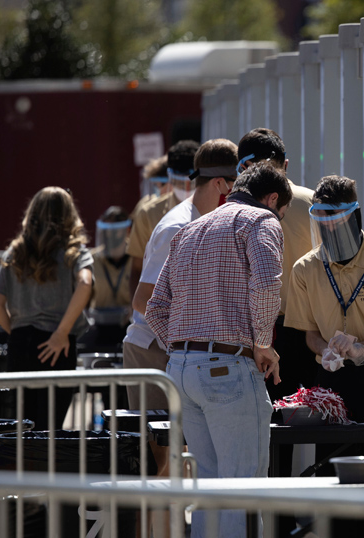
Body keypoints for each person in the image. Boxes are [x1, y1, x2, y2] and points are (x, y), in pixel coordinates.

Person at [145, 162, 290, 538]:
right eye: (283, 211)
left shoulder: (190, 229)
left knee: (208, 485)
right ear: (273, 198)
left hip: (181, 370)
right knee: (243, 487)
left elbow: (154, 308)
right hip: (227, 367)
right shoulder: (261, 221)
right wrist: (262, 342)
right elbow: (265, 284)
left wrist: (181, 351)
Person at [123, 138, 238, 475]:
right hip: (153, 352)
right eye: (234, 186)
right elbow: (144, 300)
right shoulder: (178, 226)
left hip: (174, 352)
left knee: (180, 461)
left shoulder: (201, 220)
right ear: (219, 184)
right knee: (159, 466)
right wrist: (185, 346)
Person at [285, 174, 364, 470]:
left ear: (353, 216)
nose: (326, 226)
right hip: (331, 380)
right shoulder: (305, 269)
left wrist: (362, 349)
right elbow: (310, 333)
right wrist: (326, 350)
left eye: (333, 218)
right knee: (332, 470)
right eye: (320, 218)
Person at [0, 187, 93, 431]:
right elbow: (85, 283)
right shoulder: (74, 253)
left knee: (21, 431)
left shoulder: (14, 253)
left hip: (20, 344)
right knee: (50, 432)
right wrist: (61, 332)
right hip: (57, 345)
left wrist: (16, 331)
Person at [236, 128, 317, 404]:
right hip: (314, 331)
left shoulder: (234, 212)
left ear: (244, 168)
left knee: (269, 427)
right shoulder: (314, 203)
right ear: (286, 164)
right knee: (324, 416)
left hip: (261, 333)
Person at [127, 140, 200, 295]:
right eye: (180, 183)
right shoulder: (149, 213)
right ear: (170, 177)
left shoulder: (215, 209)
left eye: (190, 183)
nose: (185, 189)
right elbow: (137, 268)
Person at [81, 206, 132, 350]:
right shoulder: (91, 259)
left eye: (116, 230)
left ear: (127, 231)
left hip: (128, 326)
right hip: (98, 326)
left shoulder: (137, 259)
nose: (111, 235)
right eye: (107, 230)